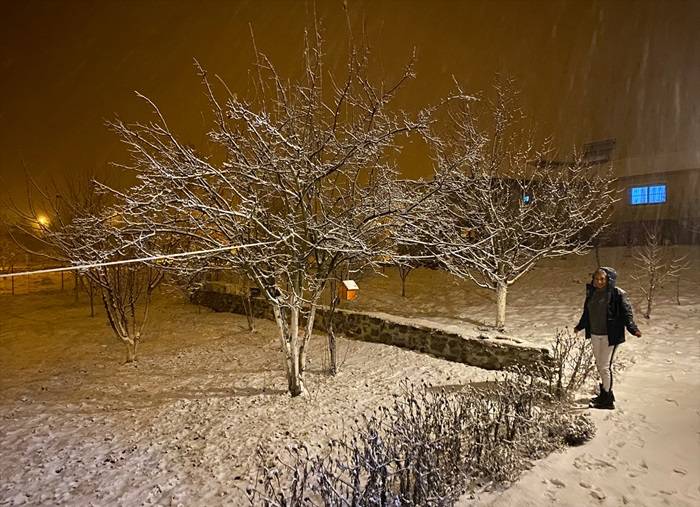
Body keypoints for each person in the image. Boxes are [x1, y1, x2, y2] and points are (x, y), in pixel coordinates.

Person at [574, 266, 642, 409]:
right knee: (600, 365)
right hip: (595, 334)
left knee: (605, 367)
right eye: (596, 278)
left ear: (608, 279)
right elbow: (587, 313)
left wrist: (633, 329)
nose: (599, 281)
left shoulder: (617, 294)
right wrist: (580, 326)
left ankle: (607, 400)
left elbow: (626, 313)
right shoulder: (591, 293)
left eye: (602, 279)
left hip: (610, 336)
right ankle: (605, 394)